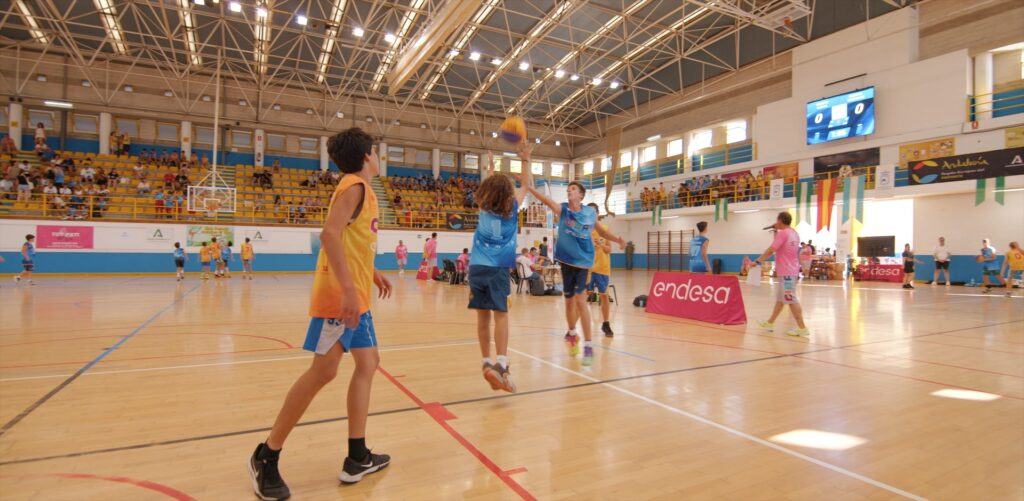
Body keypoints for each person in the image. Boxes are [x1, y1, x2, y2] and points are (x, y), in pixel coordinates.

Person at [248, 129, 391, 501]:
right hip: (341, 299)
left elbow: (350, 240)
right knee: (323, 371)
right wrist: (348, 289)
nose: (378, 157)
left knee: (368, 362)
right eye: (376, 152)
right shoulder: (354, 187)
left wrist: (371, 272)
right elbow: (329, 235)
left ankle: (357, 456)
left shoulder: (361, 189)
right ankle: (266, 456)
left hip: (357, 297)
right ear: (366, 156)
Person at [525, 177, 625, 366]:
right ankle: (572, 332)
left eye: (573, 189)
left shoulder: (589, 213)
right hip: (566, 262)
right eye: (568, 189)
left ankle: (588, 346)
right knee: (569, 303)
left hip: (583, 263)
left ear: (581, 195)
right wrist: (530, 188)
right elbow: (547, 201)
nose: (569, 191)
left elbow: (602, 232)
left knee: (581, 301)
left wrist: (617, 239)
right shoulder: (563, 210)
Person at [468, 145, 530, 392]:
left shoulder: (483, 207)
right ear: (507, 195)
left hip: (477, 268)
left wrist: (491, 168)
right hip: (498, 269)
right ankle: (502, 365)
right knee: (501, 315)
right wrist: (525, 160)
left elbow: (489, 188)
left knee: (483, 317)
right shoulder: (512, 209)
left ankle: (486, 362)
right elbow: (525, 185)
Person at [752, 211, 809, 337]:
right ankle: (770, 323)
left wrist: (757, 261)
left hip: (787, 273)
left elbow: (771, 249)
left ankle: (802, 328)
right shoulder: (794, 233)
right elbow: (780, 246)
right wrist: (775, 231)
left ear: (779, 221)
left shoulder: (783, 233)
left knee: (791, 299)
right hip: (791, 271)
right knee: (780, 299)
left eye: (777, 220)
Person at [586, 203, 615, 337]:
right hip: (588, 269)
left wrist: (602, 246)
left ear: (597, 214)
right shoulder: (584, 231)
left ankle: (606, 323)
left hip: (603, 268)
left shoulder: (605, 229)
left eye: (594, 212)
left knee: (604, 296)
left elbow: (609, 249)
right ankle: (574, 328)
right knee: (582, 297)